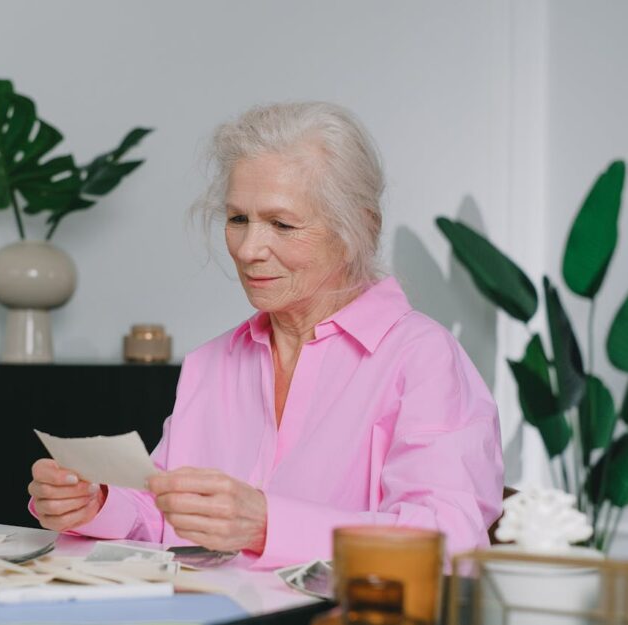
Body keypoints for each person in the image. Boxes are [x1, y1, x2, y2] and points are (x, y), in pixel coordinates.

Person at [28, 102, 503, 569]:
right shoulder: (212, 363)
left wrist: (265, 524)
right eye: (238, 220)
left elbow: (449, 542)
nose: (250, 250)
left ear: (361, 228)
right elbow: (168, 518)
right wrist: (96, 504)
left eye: (282, 224)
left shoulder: (421, 357)